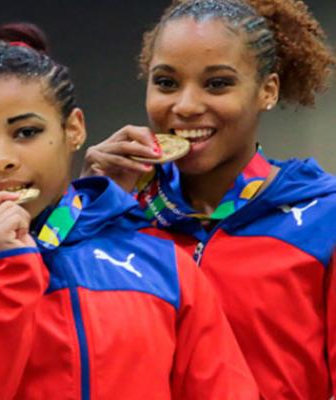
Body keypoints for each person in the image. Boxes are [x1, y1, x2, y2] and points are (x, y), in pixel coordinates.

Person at [0, 23, 258, 399]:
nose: (1, 159)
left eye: (26, 132)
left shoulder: (162, 262)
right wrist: (11, 275)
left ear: (74, 129)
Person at [81, 0, 336, 397]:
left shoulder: (325, 216)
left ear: (267, 90)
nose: (185, 106)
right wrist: (85, 207)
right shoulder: (121, 213)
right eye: (166, 82)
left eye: (217, 83)